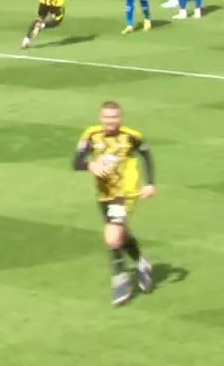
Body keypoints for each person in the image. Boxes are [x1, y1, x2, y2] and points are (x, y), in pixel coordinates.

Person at [72, 100, 156, 306]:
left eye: (114, 117)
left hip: (126, 192)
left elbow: (147, 155)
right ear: (101, 118)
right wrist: (90, 165)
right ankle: (142, 263)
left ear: (120, 118)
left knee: (112, 237)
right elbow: (76, 162)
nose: (111, 121)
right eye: (107, 118)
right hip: (105, 194)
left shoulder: (131, 136)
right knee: (120, 233)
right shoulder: (91, 135)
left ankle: (120, 279)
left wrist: (150, 183)